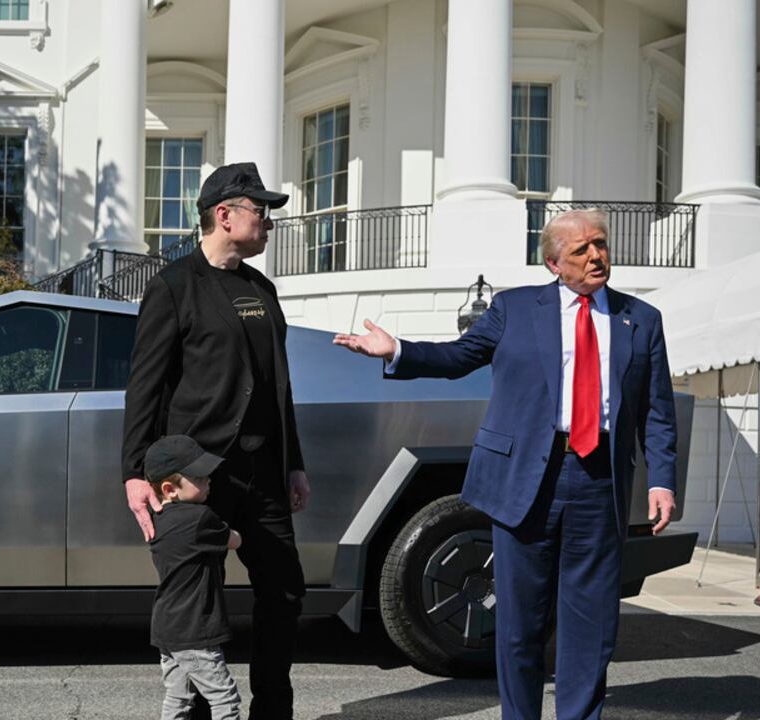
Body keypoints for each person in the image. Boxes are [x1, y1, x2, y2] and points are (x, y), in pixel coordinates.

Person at [332, 208, 678, 720]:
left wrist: (663, 483)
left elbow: (657, 410)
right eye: (581, 250)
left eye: (601, 244)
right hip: (525, 482)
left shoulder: (640, 319)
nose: (596, 256)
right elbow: (458, 357)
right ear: (553, 262)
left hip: (598, 481)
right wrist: (397, 350)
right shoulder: (514, 308)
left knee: (592, 623)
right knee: (520, 624)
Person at [122, 161, 310, 719]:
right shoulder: (174, 286)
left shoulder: (262, 289)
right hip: (199, 475)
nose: (271, 221)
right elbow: (145, 387)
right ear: (224, 216)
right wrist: (136, 471)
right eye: (262, 211)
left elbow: (279, 385)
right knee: (200, 606)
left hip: (264, 471)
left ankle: (272, 710)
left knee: (285, 592)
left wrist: (293, 462)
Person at [145, 434, 244, 720]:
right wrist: (235, 533)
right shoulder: (200, 518)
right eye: (199, 478)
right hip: (194, 630)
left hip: (166, 627)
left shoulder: (158, 520)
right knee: (224, 697)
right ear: (170, 488)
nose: (209, 480)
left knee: (178, 697)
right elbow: (234, 540)